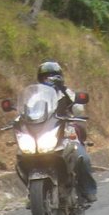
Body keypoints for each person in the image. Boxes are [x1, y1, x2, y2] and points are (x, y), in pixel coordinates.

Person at [36, 60, 98, 203]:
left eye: (54, 76)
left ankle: (88, 189)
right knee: (24, 156)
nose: (50, 79)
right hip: (44, 131)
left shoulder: (66, 92)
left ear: (60, 77)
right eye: (46, 76)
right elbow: (27, 110)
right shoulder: (36, 96)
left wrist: (64, 92)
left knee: (82, 157)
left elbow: (77, 107)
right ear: (40, 79)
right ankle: (33, 193)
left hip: (66, 130)